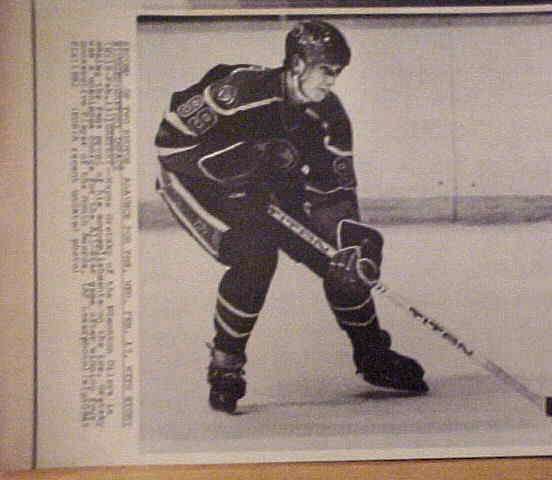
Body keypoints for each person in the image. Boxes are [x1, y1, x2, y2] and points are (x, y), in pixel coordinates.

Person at [154, 19, 428, 413]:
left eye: (337, 73)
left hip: (267, 187)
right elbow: (169, 145)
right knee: (255, 254)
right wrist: (234, 166)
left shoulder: (330, 119)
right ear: (297, 64)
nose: (332, 81)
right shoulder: (240, 91)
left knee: (346, 253)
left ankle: (372, 355)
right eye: (326, 70)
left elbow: (335, 194)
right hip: (197, 184)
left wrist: (351, 245)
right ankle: (226, 365)